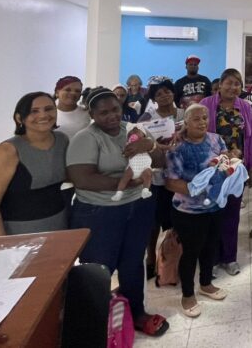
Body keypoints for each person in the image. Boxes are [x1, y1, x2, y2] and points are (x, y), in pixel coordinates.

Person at [67, 87, 169, 337]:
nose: (111, 116)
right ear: (92, 114)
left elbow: (160, 161)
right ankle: (96, 322)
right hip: (99, 212)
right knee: (100, 268)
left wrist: (151, 144)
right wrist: (122, 184)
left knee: (132, 262)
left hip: (137, 207)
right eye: (103, 113)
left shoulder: (132, 130)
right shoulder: (86, 138)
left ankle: (135, 313)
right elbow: (82, 178)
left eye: (115, 109)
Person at [164, 104, 230, 318]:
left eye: (204, 118)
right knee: (191, 252)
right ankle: (187, 295)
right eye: (196, 119)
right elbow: (172, 183)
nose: (202, 122)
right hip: (188, 211)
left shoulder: (215, 139)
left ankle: (206, 284)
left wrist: (231, 168)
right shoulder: (178, 148)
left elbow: (225, 160)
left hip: (215, 207)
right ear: (186, 122)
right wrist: (201, 189)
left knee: (210, 247)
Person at [0, 92, 68, 236]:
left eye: (49, 109)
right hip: (17, 231)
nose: (43, 115)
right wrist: (3, 246)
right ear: (19, 118)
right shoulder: (8, 150)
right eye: (34, 111)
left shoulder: (62, 140)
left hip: (58, 224)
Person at [200, 69, 252, 275]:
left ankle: (229, 258)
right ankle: (213, 259)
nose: (233, 87)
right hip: (211, 170)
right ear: (220, 84)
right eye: (229, 83)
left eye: (237, 84)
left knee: (232, 215)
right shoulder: (206, 105)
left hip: (236, 170)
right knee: (212, 214)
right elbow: (195, 133)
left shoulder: (245, 107)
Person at [137, 78, 184, 277]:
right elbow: (136, 141)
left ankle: (174, 257)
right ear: (153, 98)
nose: (164, 95)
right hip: (157, 174)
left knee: (178, 217)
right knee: (154, 219)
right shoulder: (148, 117)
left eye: (167, 91)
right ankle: (150, 257)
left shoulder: (183, 113)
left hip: (181, 171)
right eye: (159, 94)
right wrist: (156, 146)